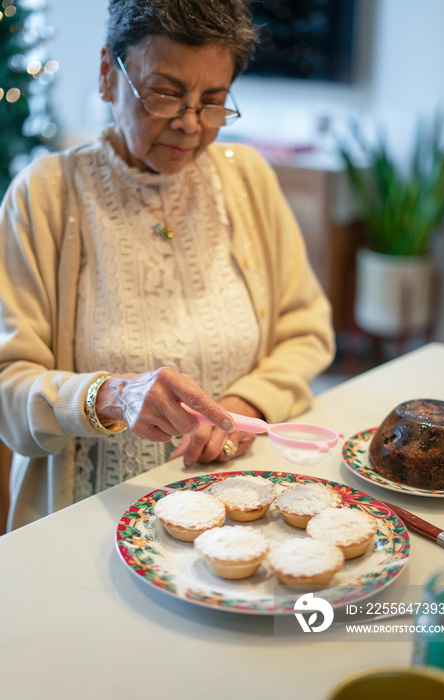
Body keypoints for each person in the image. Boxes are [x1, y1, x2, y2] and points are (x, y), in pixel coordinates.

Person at [0, 0, 335, 532]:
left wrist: (246, 402)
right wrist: (111, 396)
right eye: (165, 92)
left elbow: (306, 329)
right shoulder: (43, 196)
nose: (190, 124)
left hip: (240, 503)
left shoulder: (245, 177)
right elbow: (8, 385)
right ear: (109, 75)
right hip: (95, 516)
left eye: (214, 101)